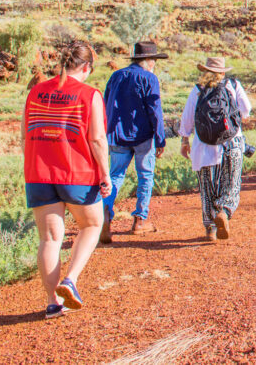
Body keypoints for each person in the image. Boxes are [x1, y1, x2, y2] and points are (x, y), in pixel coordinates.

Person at [22, 40, 111, 319]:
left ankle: (52, 302)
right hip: (77, 173)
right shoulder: (89, 94)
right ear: (86, 67)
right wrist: (106, 173)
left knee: (49, 239)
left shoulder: (36, 91)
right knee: (92, 224)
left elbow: (24, 135)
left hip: (38, 172)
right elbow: (96, 139)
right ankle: (70, 280)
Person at [100, 41, 168, 242]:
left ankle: (106, 214)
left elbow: (105, 103)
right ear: (149, 60)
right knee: (145, 176)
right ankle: (140, 220)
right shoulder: (149, 78)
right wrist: (160, 139)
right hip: (143, 136)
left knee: (115, 176)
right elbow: (155, 110)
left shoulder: (116, 76)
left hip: (116, 134)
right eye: (154, 60)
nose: (154, 64)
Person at [178, 57, 252, 242]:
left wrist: (185, 140)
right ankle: (224, 212)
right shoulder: (233, 85)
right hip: (231, 141)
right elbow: (246, 110)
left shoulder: (198, 90)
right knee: (232, 184)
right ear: (223, 72)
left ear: (205, 71)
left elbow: (187, 118)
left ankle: (210, 228)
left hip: (204, 145)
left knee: (207, 186)